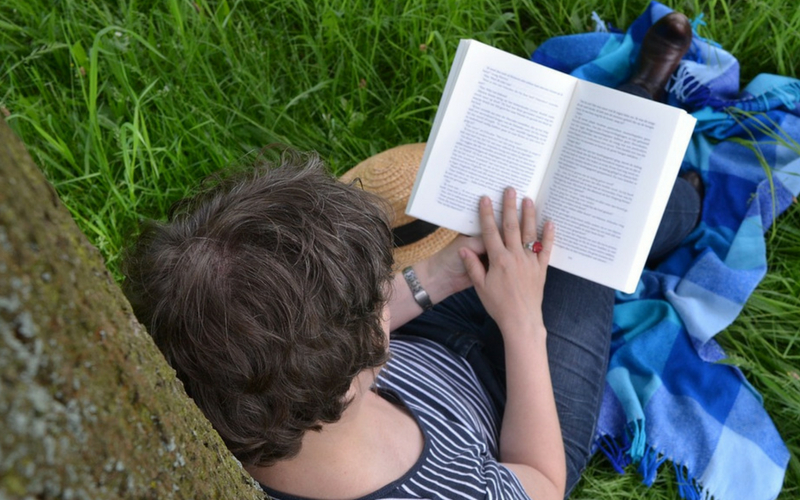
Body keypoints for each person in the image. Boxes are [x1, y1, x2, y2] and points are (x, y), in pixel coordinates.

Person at [122, 12, 698, 500]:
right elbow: (542, 481)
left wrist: (439, 277)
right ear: (350, 379)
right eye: (383, 293)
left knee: (523, 219)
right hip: (519, 418)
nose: (391, 287)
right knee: (578, 228)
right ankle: (676, 165)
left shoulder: (235, 383)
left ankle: (638, 128)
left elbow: (312, 343)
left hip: (429, 345)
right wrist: (522, 323)